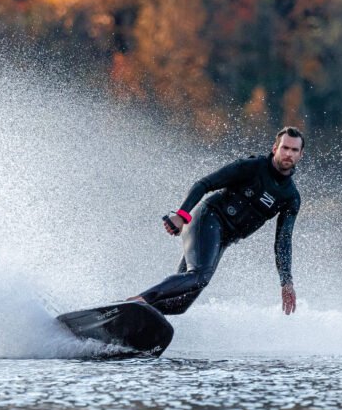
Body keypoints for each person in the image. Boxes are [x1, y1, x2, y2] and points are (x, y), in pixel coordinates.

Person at [129, 126, 304, 316]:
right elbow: (205, 184)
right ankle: (141, 300)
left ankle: (134, 317)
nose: (288, 154)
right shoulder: (252, 167)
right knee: (199, 276)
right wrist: (181, 215)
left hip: (224, 239)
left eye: (294, 150)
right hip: (208, 219)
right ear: (274, 148)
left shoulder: (291, 197)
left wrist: (286, 282)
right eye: (285, 148)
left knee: (179, 303)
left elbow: (283, 241)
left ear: (300, 154)